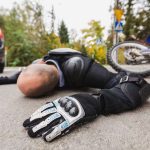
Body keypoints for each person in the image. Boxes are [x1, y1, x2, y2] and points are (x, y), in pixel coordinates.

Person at [1, 48, 123, 97]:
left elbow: (129, 82)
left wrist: (97, 103)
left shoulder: (79, 69)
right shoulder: (36, 67)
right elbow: (12, 78)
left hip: (80, 60)